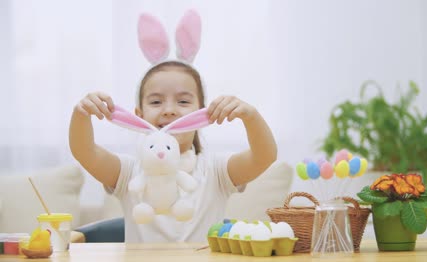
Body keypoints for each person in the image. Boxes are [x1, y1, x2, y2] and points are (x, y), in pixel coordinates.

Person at [69, 60, 277, 242]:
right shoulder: (128, 171)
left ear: (202, 114)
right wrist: (81, 114)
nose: (169, 110)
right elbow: (84, 152)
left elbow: (264, 156)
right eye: (156, 102)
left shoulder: (217, 170)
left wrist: (251, 117)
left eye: (183, 101)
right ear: (139, 116)